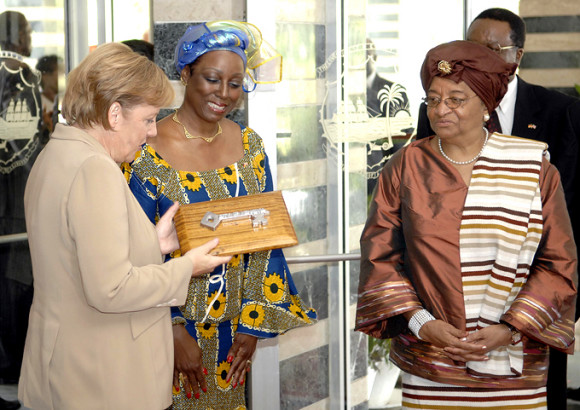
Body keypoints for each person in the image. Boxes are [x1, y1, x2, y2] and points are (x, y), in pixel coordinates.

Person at [356, 40, 577, 409]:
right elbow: (380, 256)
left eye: (456, 100)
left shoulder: (533, 168)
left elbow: (558, 263)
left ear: (487, 106)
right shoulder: (405, 167)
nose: (441, 110)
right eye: (433, 99)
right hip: (430, 362)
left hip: (513, 365)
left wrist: (509, 329)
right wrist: (421, 322)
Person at [17, 42, 231, 410]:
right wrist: (186, 267)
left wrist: (153, 243)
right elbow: (110, 289)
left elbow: (75, 254)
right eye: (148, 119)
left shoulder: (57, 153)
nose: (151, 132)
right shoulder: (95, 169)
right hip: (105, 378)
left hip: (69, 369)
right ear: (115, 114)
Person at [123, 21, 317, 409]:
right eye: (212, 79)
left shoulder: (250, 146)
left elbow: (266, 237)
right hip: (167, 329)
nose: (225, 94)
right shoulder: (144, 152)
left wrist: (252, 325)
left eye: (235, 83)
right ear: (185, 74)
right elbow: (134, 252)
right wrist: (173, 330)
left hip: (233, 333)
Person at [414, 9, 580, 408]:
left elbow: (573, 213)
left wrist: (549, 306)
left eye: (490, 49)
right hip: (450, 304)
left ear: (517, 56)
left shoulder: (562, 112)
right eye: (470, 48)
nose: (475, 59)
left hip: (536, 298)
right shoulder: (435, 114)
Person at [0, 11, 44, 410]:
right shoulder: (20, 76)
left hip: (11, 206)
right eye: (27, 30)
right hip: (16, 207)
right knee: (16, 292)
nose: (30, 38)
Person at [35, 54, 63, 133]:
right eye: (60, 72)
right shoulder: (37, 104)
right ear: (45, 75)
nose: (64, 76)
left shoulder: (65, 102)